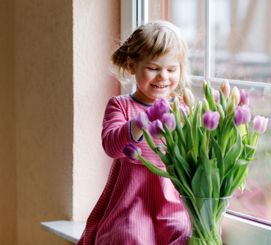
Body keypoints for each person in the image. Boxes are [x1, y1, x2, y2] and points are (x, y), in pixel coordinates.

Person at [77, 20, 191, 245]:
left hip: (170, 200)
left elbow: (193, 154)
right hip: (130, 201)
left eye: (171, 69)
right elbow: (111, 146)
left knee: (184, 233)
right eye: (153, 68)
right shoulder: (121, 106)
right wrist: (143, 121)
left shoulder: (181, 109)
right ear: (132, 66)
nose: (163, 77)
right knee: (129, 237)